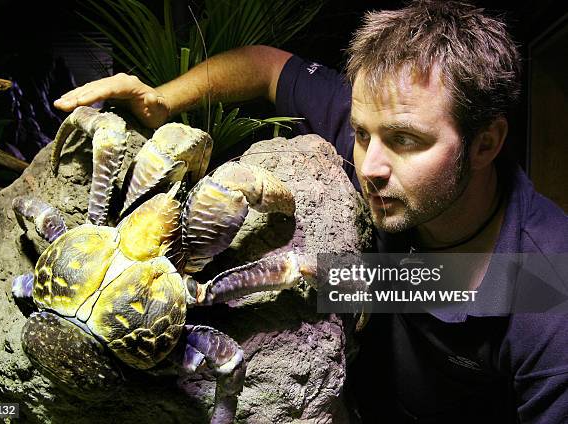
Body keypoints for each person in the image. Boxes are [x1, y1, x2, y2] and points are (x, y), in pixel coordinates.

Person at [54, 1, 568, 422]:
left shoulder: (548, 292)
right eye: (362, 133)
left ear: (487, 143)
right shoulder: (386, 127)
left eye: (406, 141)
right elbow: (266, 66)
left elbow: (442, 283)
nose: (370, 166)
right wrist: (161, 102)